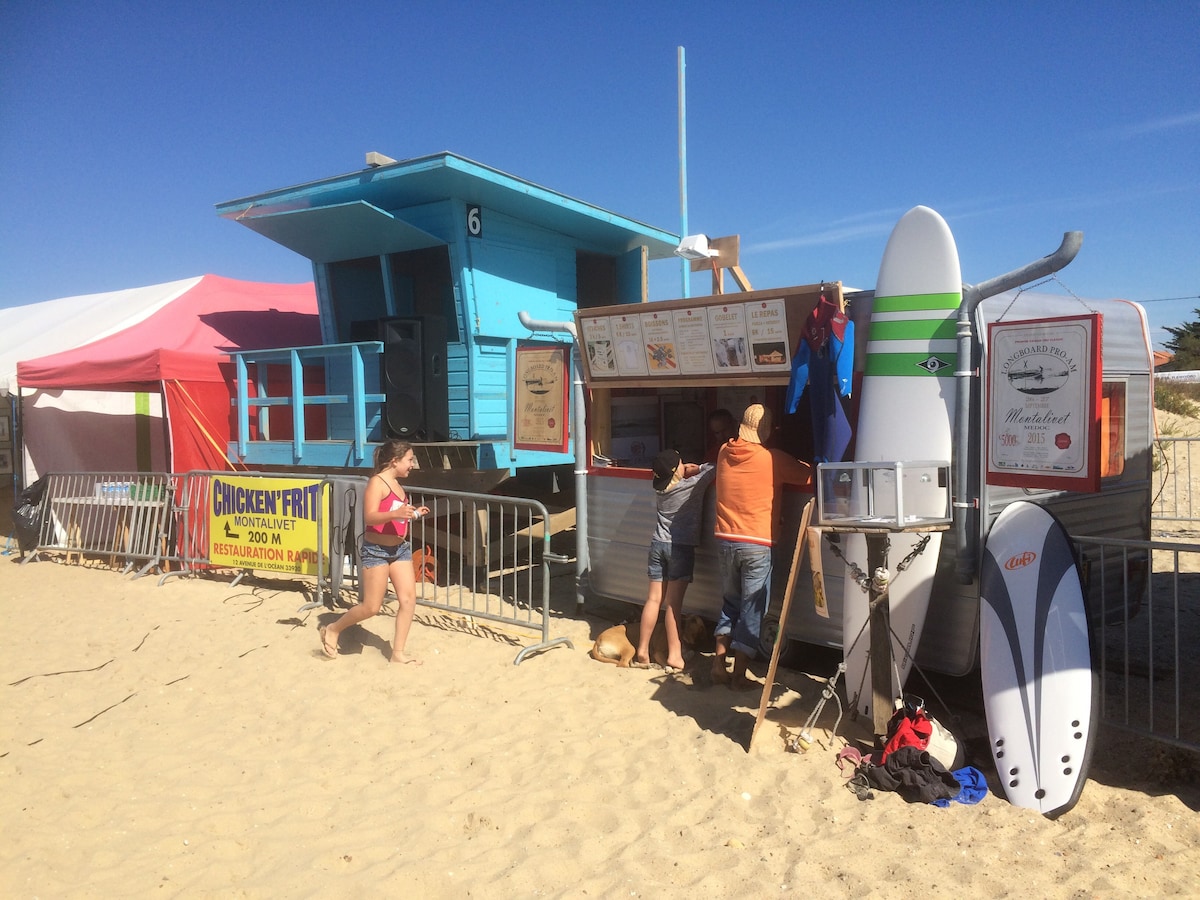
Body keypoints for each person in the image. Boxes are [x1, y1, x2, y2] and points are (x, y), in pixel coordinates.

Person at [712, 404, 812, 690]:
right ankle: (739, 675)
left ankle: (718, 664)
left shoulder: (722, 453)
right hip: (757, 543)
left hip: (725, 540)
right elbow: (808, 475)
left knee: (730, 603)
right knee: (752, 610)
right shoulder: (773, 459)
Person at [319, 439, 430, 665]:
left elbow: (397, 515)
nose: (412, 465)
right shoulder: (376, 483)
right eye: (409, 460)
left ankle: (397, 654)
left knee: (408, 600)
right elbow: (370, 516)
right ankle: (333, 628)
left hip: (399, 549)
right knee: (371, 607)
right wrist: (397, 514)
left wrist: (414, 514)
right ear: (394, 461)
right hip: (376, 550)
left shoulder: (398, 485)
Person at [633, 449, 716, 670]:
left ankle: (642, 650)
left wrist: (680, 469)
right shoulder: (692, 486)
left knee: (653, 600)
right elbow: (714, 469)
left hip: (657, 544)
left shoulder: (661, 490)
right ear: (677, 470)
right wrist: (696, 468)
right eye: (680, 463)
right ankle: (675, 655)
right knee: (673, 605)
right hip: (680, 548)